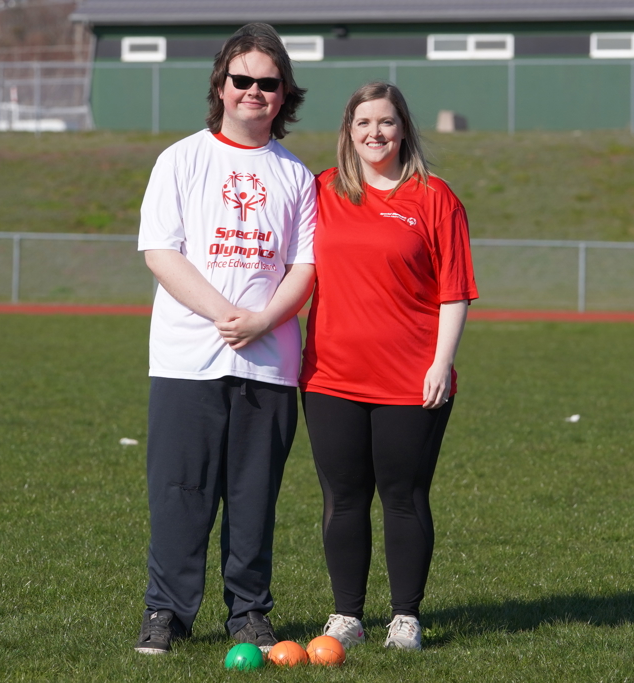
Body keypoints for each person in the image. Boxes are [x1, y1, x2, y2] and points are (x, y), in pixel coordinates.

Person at [134, 23, 316, 655]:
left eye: (269, 83)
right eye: (243, 80)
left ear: (284, 93)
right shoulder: (181, 159)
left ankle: (249, 613)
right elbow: (161, 251)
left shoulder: (296, 175)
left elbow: (306, 267)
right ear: (221, 84)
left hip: (269, 363)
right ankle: (166, 613)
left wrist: (263, 322)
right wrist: (224, 313)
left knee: (253, 497)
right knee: (179, 492)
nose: (254, 92)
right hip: (188, 358)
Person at [299, 82, 478, 651]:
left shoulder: (434, 197)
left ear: (404, 129)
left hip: (412, 377)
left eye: (386, 122)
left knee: (404, 495)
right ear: (348, 133)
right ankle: (347, 615)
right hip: (330, 377)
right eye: (363, 123)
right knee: (343, 498)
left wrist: (441, 363)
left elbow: (455, 291)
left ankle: (406, 618)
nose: (375, 133)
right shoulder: (323, 190)